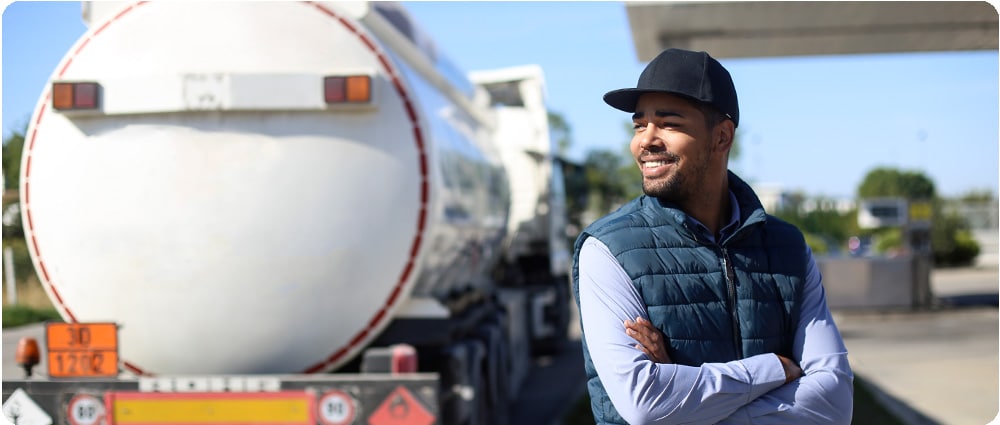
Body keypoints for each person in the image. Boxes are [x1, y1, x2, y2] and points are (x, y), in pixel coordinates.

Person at [572, 48, 854, 424]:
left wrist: (688, 393)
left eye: (668, 123)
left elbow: (834, 403)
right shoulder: (609, 249)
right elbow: (646, 405)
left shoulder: (788, 248)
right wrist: (774, 369)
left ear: (722, 137)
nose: (645, 141)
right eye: (639, 125)